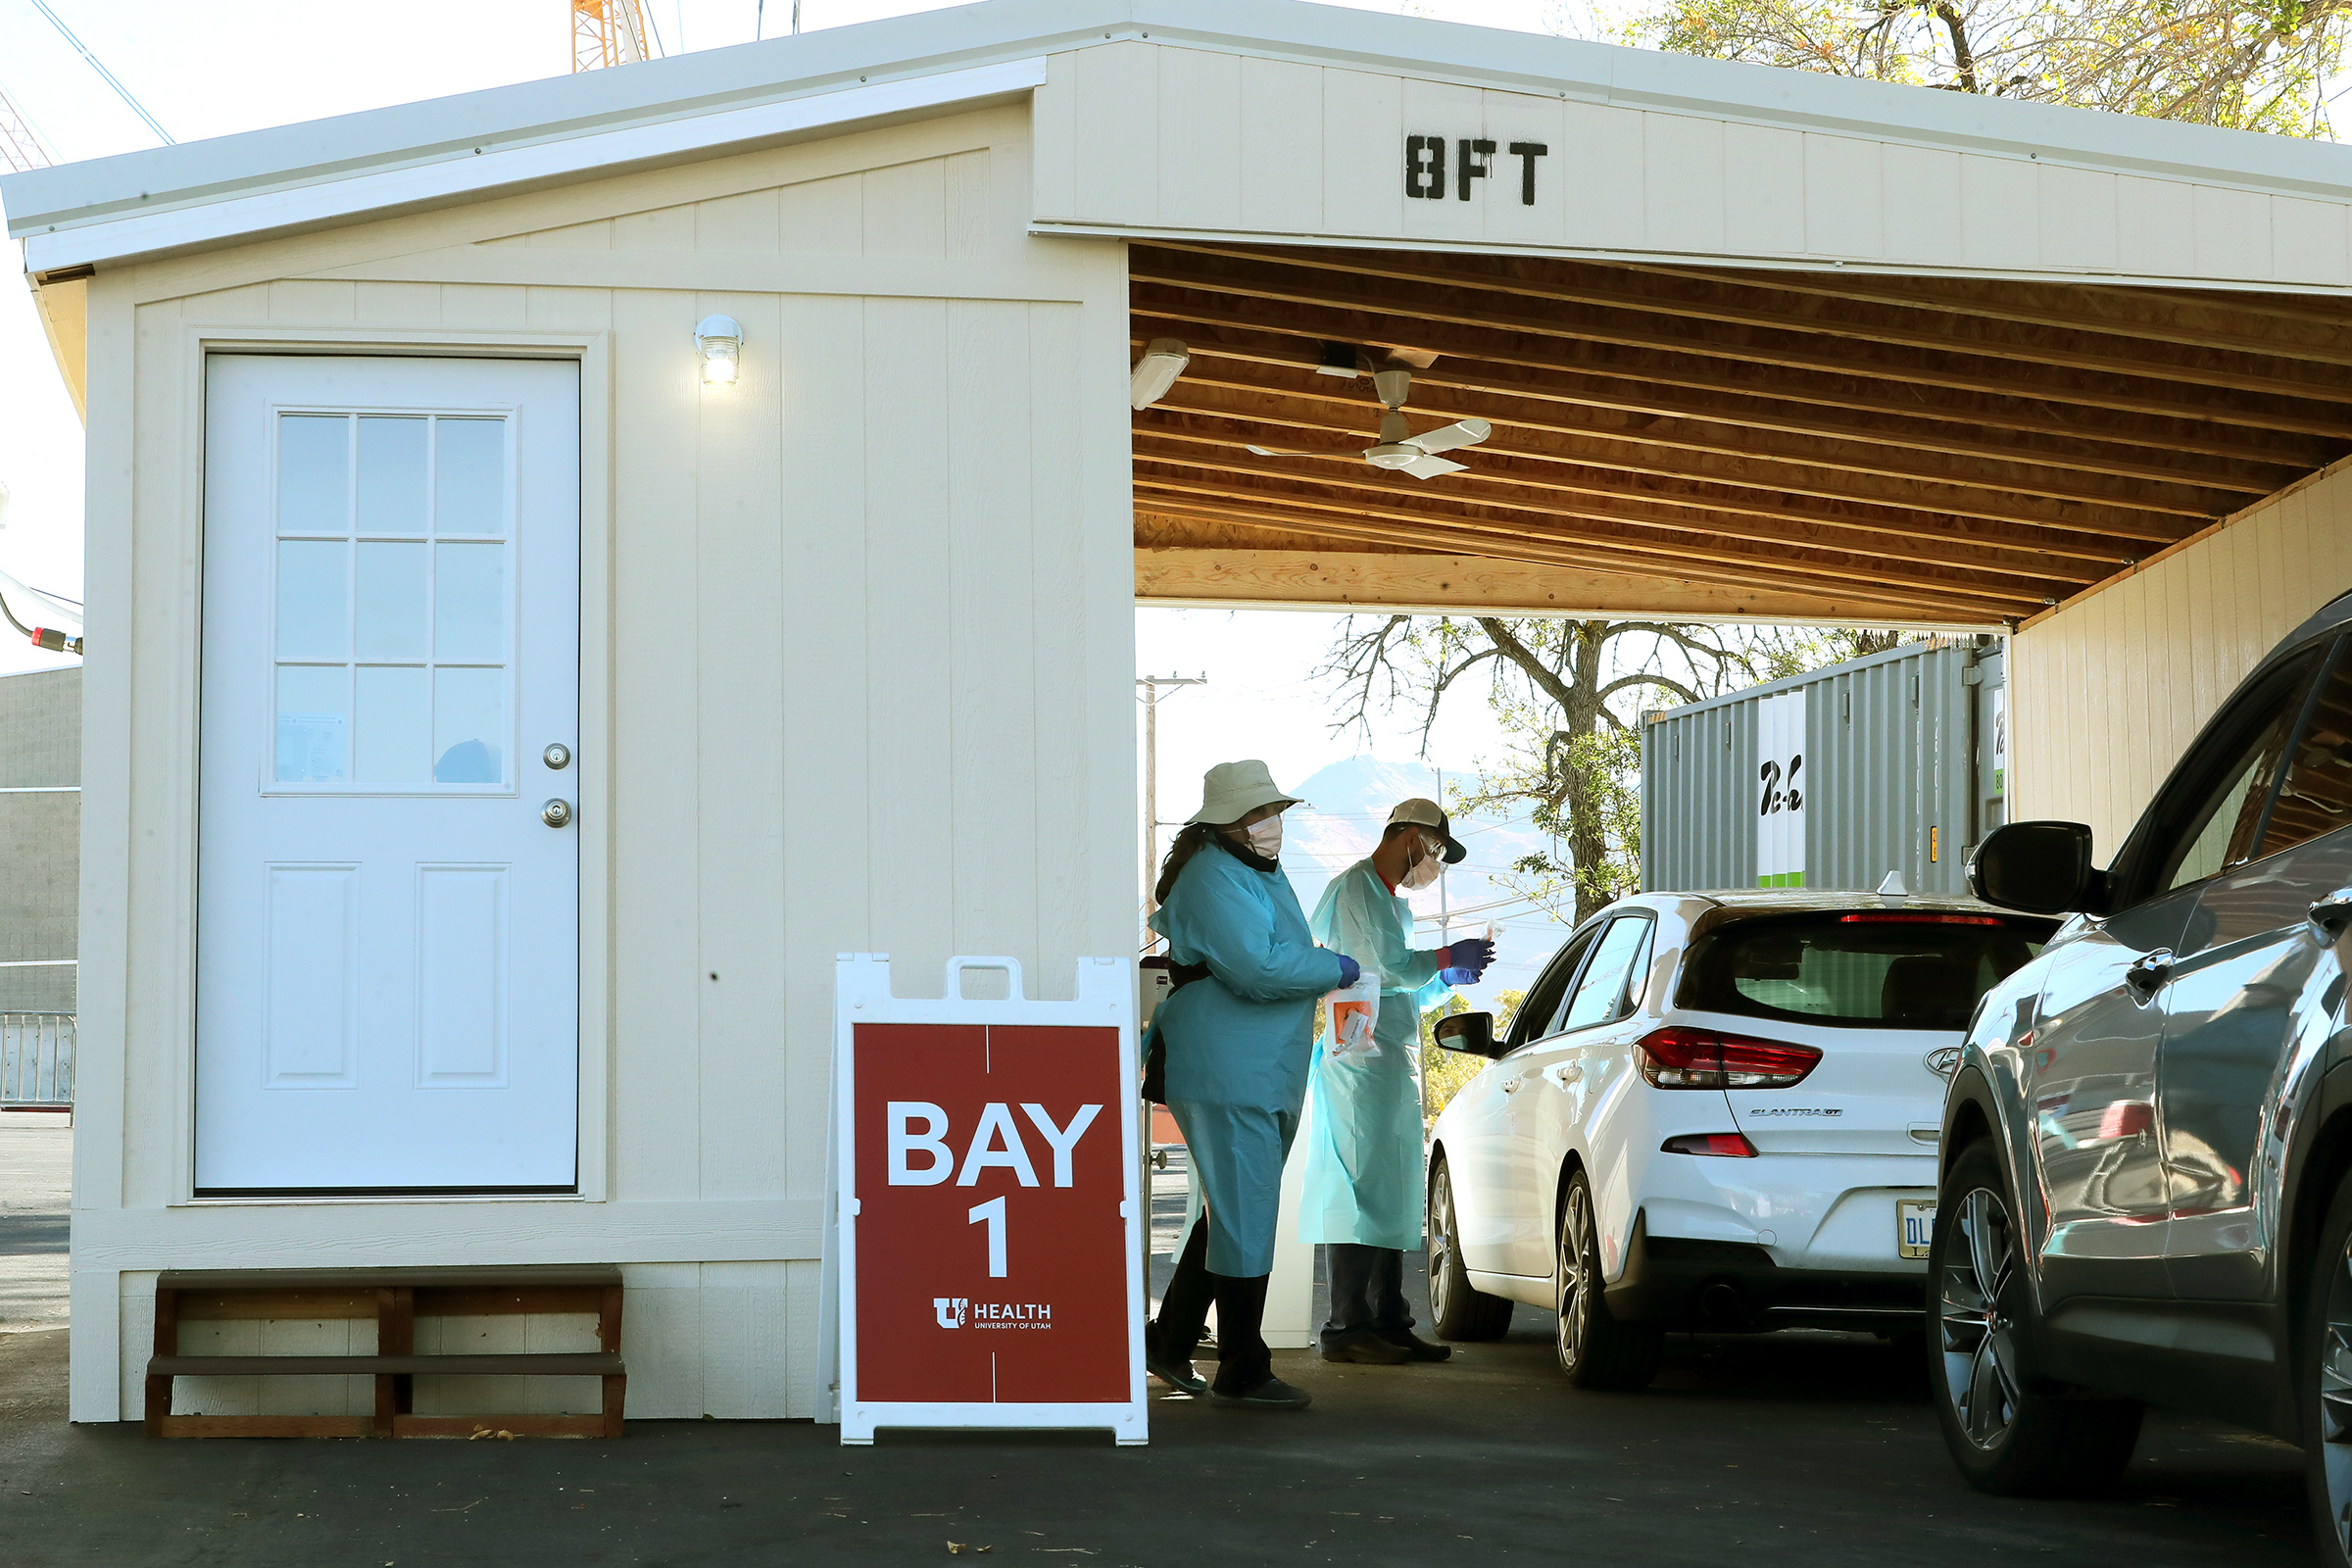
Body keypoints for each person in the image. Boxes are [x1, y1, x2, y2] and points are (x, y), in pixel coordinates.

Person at [1142, 760, 1358, 1411]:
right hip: (1227, 1062)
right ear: (1225, 822)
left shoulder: (1248, 868)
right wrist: (1333, 965)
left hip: (1254, 1063)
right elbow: (1257, 967)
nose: (1270, 826)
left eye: (1274, 813)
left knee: (1236, 1210)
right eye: (1256, 815)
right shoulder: (1214, 876)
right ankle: (1242, 1365)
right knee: (1245, 1209)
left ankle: (1169, 1340)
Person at [1301, 799, 1494, 1365]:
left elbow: (1405, 984)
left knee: (1392, 1192)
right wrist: (1439, 956)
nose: (1433, 863)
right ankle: (1346, 1326)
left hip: (1388, 1059)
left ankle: (1389, 1318)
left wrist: (1447, 977)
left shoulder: (1393, 903)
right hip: (1358, 1059)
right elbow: (1382, 966)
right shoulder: (1356, 888)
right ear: (1409, 836)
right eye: (1433, 850)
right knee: (1358, 1189)